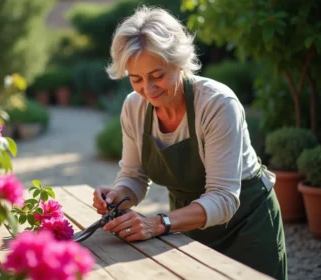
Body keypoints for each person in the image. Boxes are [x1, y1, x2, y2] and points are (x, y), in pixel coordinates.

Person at [92, 6, 287, 280]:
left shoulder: (217, 104)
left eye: (157, 75)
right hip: (187, 222)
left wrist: (159, 223)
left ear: (179, 62)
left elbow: (223, 197)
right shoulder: (134, 107)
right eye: (136, 79)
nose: (148, 89)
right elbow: (134, 176)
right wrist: (117, 197)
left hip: (246, 223)